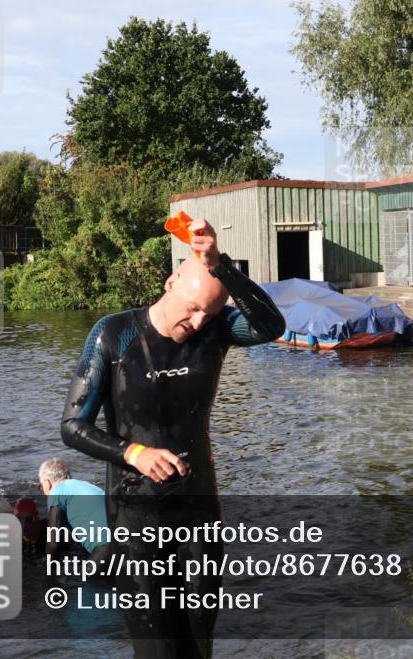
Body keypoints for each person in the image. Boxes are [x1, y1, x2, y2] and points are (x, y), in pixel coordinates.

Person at [61, 217, 284, 658]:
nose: (198, 321)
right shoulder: (113, 335)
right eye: (193, 307)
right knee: (157, 649)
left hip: (198, 513)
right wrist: (133, 452)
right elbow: (72, 427)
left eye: (209, 313)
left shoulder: (216, 332)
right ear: (171, 282)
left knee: (198, 646)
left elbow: (271, 326)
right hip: (134, 516)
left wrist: (220, 266)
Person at [38, 457, 108, 561]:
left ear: (47, 483)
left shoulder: (57, 491)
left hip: (104, 547)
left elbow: (53, 544)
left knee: (86, 572)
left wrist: (49, 567)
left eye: (40, 487)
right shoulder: (88, 486)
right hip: (125, 539)